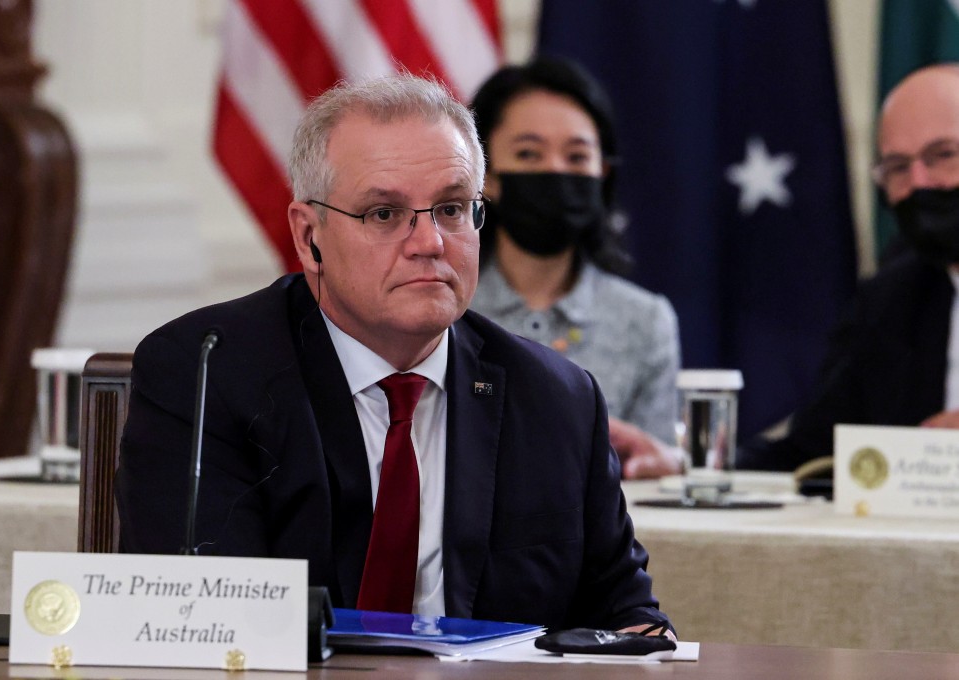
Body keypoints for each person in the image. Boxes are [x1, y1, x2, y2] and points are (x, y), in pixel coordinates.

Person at [115, 73, 673, 635]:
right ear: (310, 237)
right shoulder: (208, 371)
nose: (430, 242)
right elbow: (201, 619)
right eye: (384, 214)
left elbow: (626, 616)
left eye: (452, 209)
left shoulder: (556, 397)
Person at [467, 57, 683, 480]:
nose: (555, 171)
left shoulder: (645, 320)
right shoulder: (446, 305)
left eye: (577, 155)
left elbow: (654, 471)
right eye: (528, 154)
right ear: (486, 175)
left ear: (602, 173)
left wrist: (668, 464)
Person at [738, 63, 959, 471]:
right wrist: (687, 464)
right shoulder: (893, 298)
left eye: (943, 155)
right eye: (897, 167)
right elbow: (811, 449)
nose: (920, 183)